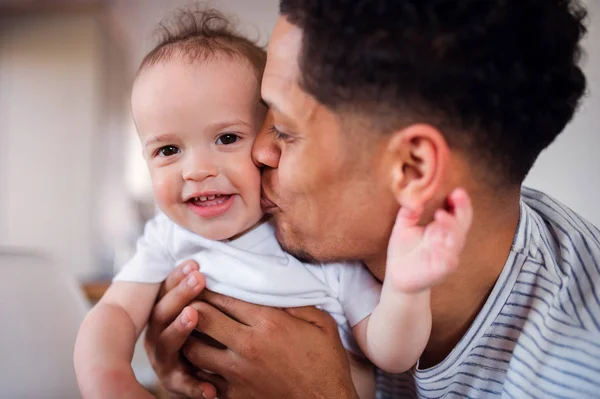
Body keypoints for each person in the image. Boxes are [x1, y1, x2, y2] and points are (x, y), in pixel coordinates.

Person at [144, 1, 600, 398]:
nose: (259, 153)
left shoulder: (577, 373)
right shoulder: (298, 246)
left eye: (283, 130)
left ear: (413, 170)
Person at [73, 8, 472, 399]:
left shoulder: (315, 242)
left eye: (227, 138)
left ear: (270, 134)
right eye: (169, 149)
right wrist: (110, 379)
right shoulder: (166, 237)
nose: (195, 170)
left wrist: (406, 289)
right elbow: (116, 314)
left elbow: (393, 354)